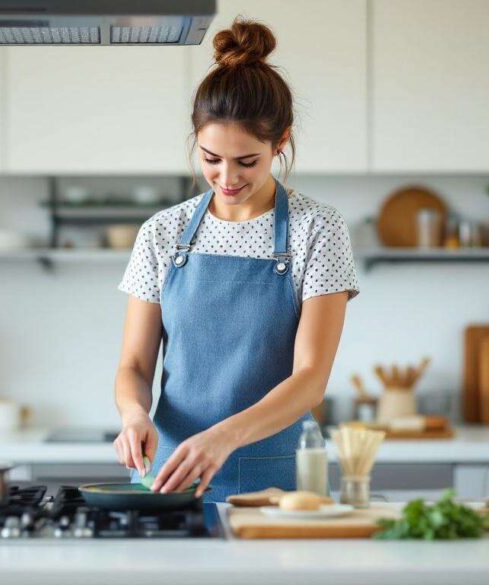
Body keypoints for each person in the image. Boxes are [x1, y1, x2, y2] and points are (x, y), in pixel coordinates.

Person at [113, 18, 360, 504]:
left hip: (277, 484)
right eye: (211, 158)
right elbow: (135, 366)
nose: (226, 177)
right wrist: (134, 415)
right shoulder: (161, 233)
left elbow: (310, 381)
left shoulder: (318, 229)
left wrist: (224, 437)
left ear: (280, 143)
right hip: (170, 477)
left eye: (246, 161)